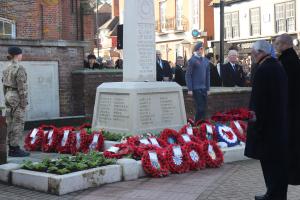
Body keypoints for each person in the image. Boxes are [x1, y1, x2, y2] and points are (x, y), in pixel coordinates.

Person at [245, 40, 288, 200]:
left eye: (252, 53)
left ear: (258, 53)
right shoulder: (278, 66)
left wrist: (255, 125)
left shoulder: (263, 69)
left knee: (270, 163)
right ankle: (277, 193)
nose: (252, 56)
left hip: (267, 126)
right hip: (279, 122)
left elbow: (258, 101)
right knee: (278, 163)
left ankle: (273, 194)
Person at [275, 34, 300, 186]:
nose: (275, 47)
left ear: (284, 45)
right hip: (295, 108)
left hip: (288, 109)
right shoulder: (295, 60)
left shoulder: (284, 62)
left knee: (290, 143)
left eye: (277, 44)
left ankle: (291, 175)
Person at [2, 47, 30, 157]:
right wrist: (24, 102)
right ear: (17, 55)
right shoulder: (19, 68)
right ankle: (15, 148)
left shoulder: (7, 68)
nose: (21, 56)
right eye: (21, 54)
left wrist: (7, 97)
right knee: (19, 122)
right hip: (16, 97)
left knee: (10, 121)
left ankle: (10, 146)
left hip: (8, 95)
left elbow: (4, 85)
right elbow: (21, 87)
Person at [185, 42, 210, 123]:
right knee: (200, 107)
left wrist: (208, 88)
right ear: (196, 50)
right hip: (196, 88)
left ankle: (202, 124)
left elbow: (207, 76)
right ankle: (196, 123)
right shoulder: (192, 60)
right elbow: (188, 75)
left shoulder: (206, 61)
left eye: (202, 49)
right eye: (200, 49)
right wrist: (190, 88)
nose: (201, 50)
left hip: (203, 88)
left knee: (205, 108)